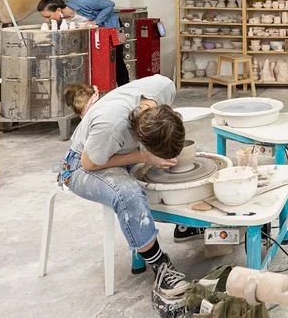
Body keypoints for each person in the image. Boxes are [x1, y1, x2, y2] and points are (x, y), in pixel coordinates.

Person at [57, 75, 191, 298]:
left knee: (177, 166)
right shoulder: (111, 126)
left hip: (120, 148)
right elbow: (89, 163)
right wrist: (142, 156)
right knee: (129, 193)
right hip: (80, 164)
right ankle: (160, 266)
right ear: (140, 139)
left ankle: (186, 226)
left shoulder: (164, 87)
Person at [38, 0, 130, 86]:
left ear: (58, 10)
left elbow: (110, 4)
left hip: (115, 27)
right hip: (97, 35)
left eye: (48, 17)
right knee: (100, 64)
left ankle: (125, 89)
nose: (47, 20)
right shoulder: (62, 22)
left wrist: (96, 21)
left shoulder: (81, 1)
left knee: (117, 61)